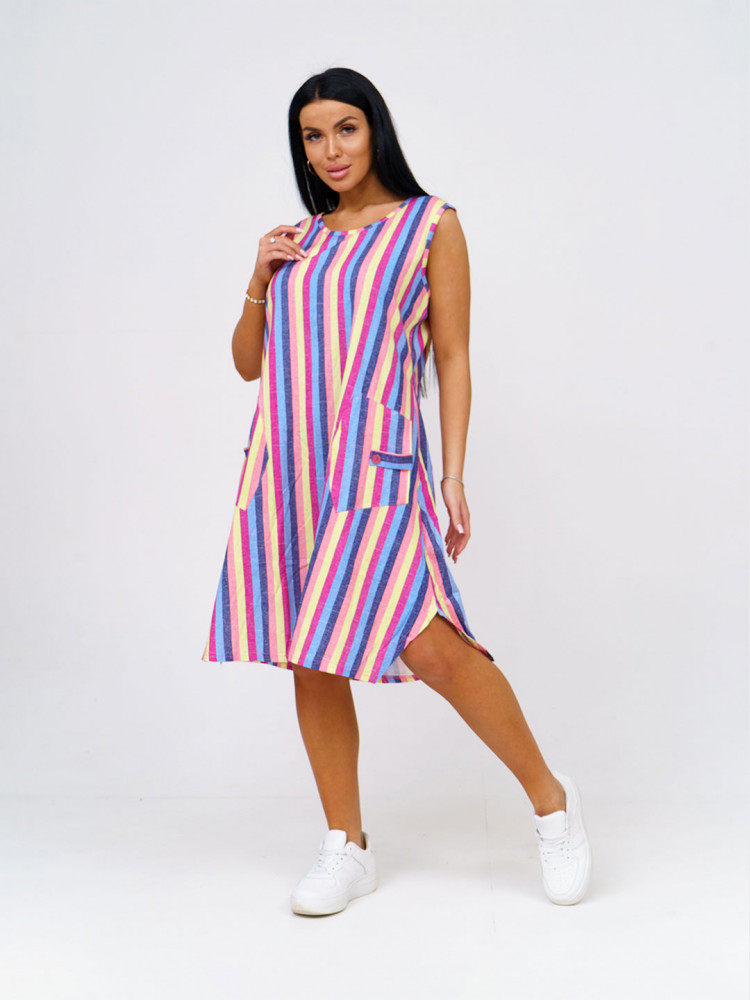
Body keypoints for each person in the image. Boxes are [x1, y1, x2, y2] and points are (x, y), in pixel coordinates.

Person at [202, 67, 592, 914]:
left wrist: (451, 474)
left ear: (375, 128)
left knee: (432, 645)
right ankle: (347, 844)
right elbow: (248, 364)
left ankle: (552, 801)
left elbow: (452, 355)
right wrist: (258, 279)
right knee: (309, 652)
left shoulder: (430, 226)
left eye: (345, 128)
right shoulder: (298, 240)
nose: (330, 150)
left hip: (375, 468)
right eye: (312, 136)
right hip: (289, 469)